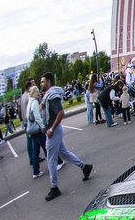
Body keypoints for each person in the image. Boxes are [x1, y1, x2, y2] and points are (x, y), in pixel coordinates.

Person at [40, 72, 92, 201]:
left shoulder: (52, 96)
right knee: (64, 153)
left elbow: (61, 113)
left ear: (49, 82)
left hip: (53, 131)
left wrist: (51, 129)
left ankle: (54, 188)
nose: (41, 84)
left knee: (51, 159)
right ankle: (85, 167)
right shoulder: (48, 95)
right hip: (53, 130)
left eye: (43, 81)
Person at [26, 85, 47, 178]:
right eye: (37, 92)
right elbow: (37, 117)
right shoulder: (34, 101)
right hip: (37, 130)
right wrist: (43, 127)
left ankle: (36, 172)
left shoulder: (30, 102)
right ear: (33, 93)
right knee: (46, 148)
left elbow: (30, 116)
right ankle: (56, 163)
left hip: (32, 131)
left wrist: (39, 107)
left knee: (35, 152)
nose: (38, 93)